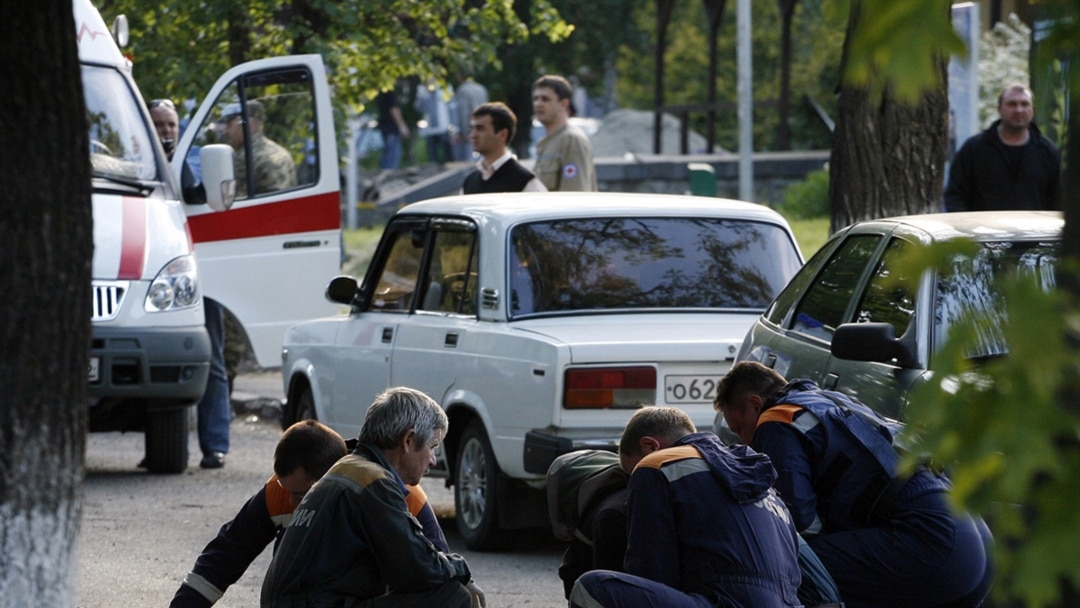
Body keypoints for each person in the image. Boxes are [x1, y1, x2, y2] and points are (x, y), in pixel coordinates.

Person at [715, 361, 994, 608]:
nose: (743, 441)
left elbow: (800, 522)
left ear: (755, 404)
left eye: (739, 428)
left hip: (932, 539)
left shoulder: (776, 419)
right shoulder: (828, 400)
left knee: (787, 565)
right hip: (972, 537)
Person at [170, 420, 449, 607]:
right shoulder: (279, 492)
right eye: (287, 489)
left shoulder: (401, 496)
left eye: (302, 494)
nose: (292, 501)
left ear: (331, 481)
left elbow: (436, 573)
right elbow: (225, 556)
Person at [261, 387, 484, 608]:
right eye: (432, 446)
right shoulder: (372, 480)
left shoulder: (348, 468)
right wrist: (461, 569)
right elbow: (420, 567)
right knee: (452, 595)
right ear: (408, 440)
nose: (433, 460)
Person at [570, 406, 803, 608]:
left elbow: (652, 571)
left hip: (725, 603)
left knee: (590, 588)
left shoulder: (656, 464)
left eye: (632, 474)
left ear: (650, 447)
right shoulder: (764, 485)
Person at [944, 84, 1062, 212]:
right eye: (1012, 104)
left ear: (1032, 110)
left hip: (1035, 225)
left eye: (1025, 104)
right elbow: (955, 196)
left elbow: (1059, 199)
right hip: (983, 225)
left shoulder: (1047, 152)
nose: (1019, 110)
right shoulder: (974, 149)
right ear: (999, 109)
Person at [217, 100, 296, 198]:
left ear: (247, 125)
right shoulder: (279, 151)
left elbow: (230, 200)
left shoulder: (247, 157)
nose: (225, 131)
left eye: (229, 125)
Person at [462, 102, 546, 194]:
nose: (473, 135)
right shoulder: (469, 182)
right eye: (472, 129)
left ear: (503, 134)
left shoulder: (525, 182)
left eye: (480, 129)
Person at [532, 74, 597, 192]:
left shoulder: (571, 140)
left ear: (563, 104)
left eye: (545, 99)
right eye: (536, 99)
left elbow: (575, 195)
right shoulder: (547, 141)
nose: (538, 104)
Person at [414, 80, 453, 165]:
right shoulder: (423, 91)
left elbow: (451, 106)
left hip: (443, 126)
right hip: (430, 129)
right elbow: (419, 108)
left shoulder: (444, 89)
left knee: (447, 152)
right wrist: (423, 94)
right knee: (432, 154)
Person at [451, 74, 489, 162]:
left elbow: (464, 112)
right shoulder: (481, 88)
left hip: (470, 128)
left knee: (470, 159)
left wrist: (464, 131)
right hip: (483, 126)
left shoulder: (462, 90)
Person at [376, 88, 410, 170]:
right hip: (391, 127)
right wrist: (402, 126)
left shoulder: (381, 92)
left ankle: (384, 172)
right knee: (393, 154)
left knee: (388, 153)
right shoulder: (389, 92)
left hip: (385, 126)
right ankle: (388, 173)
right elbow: (394, 108)